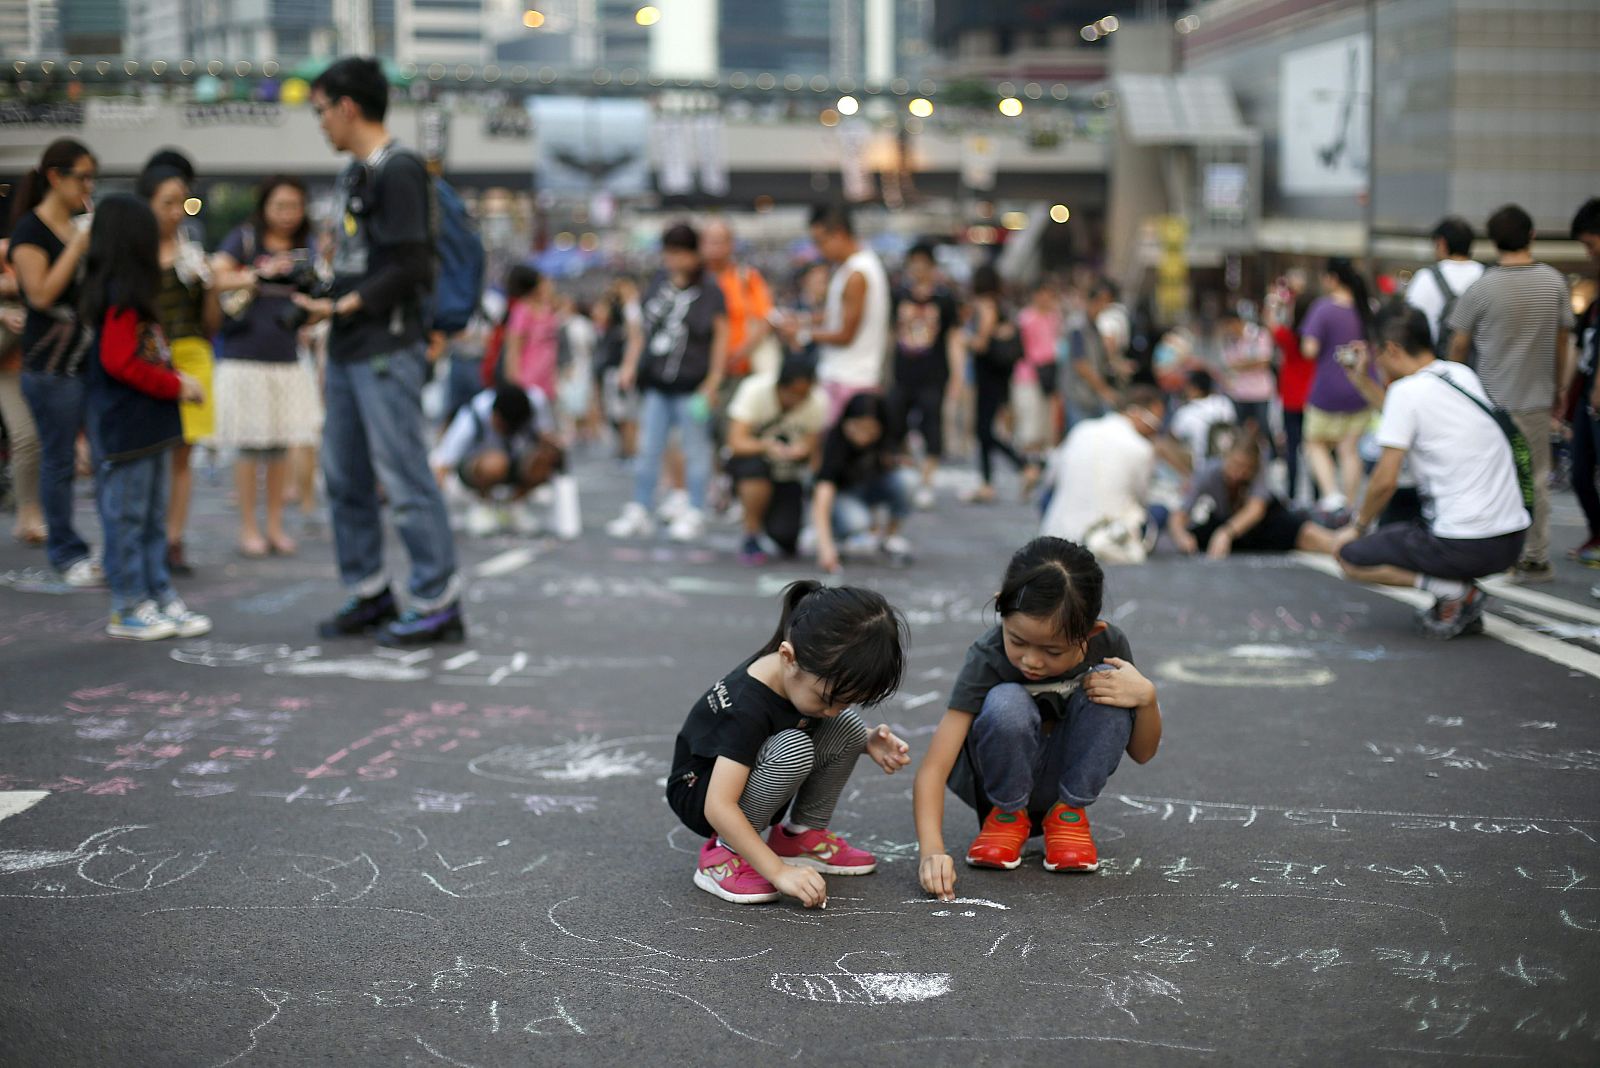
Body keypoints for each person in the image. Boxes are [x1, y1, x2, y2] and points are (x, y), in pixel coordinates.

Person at [296, 56, 462, 646]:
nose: (320, 123)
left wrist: (344, 305)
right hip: (349, 346)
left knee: (403, 474)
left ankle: (437, 599)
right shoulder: (354, 174)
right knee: (344, 477)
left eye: (321, 111)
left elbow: (413, 265)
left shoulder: (400, 169)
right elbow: (357, 263)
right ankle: (369, 590)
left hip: (388, 345)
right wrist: (315, 292)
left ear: (348, 107)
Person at [912, 537, 1162, 894]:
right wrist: (932, 852)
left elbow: (1143, 752)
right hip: (1001, 783)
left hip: (1065, 784)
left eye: (1052, 651)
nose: (1031, 660)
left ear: (1091, 633)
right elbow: (934, 768)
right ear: (1000, 607)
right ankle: (1007, 817)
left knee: (1110, 688)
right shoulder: (987, 656)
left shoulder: (1109, 648)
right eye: (1017, 641)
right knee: (1005, 702)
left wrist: (1146, 699)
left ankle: (1068, 816)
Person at [665, 580, 910, 906]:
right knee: (793, 747)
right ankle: (724, 855)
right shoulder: (748, 707)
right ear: (788, 657)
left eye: (847, 701)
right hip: (702, 791)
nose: (833, 710)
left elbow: (825, 716)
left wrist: (866, 741)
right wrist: (778, 871)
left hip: (753, 766)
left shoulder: (802, 674)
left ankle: (800, 837)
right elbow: (718, 805)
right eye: (827, 699)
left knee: (848, 726)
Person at [1332, 302, 1530, 639]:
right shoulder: (1460, 374)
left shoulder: (1406, 392)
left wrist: (1357, 527)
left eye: (1377, 354)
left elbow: (1384, 481)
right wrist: (1362, 381)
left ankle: (1456, 592)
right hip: (1511, 539)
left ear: (1392, 349)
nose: (1377, 363)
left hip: (1464, 544)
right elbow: (1405, 417)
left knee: (1349, 557)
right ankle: (1457, 592)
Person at [79, 194, 212, 640]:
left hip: (150, 425)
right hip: (130, 426)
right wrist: (175, 384)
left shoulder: (134, 295)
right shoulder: (121, 298)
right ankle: (129, 604)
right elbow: (120, 362)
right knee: (130, 519)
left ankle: (156, 593)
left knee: (152, 518)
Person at [1444, 204, 1573, 585]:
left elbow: (1458, 345)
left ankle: (1491, 552)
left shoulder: (1481, 287)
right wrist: (1560, 386)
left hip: (1489, 402)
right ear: (1531, 235)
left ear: (1493, 240)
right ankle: (1535, 556)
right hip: (1535, 398)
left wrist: (1455, 387)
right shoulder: (1554, 282)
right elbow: (1563, 341)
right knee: (1536, 478)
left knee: (1489, 478)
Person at [211, 175, 325, 558]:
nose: (288, 214)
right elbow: (214, 276)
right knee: (249, 447)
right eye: (280, 206)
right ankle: (249, 527)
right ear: (264, 207)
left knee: (279, 447)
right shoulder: (244, 240)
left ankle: (275, 525)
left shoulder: (306, 248)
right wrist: (258, 274)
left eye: (295, 206)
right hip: (244, 356)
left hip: (286, 358)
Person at [9, 137, 101, 586]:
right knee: (59, 460)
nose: (88, 186)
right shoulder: (31, 230)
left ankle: (106, 548)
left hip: (91, 359)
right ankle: (66, 552)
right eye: (82, 177)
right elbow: (41, 294)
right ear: (54, 177)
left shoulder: (79, 227)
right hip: (50, 365)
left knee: (104, 455)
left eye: (92, 178)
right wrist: (79, 245)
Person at [609, 222, 727, 543]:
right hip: (657, 383)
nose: (673, 260)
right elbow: (641, 331)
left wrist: (714, 380)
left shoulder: (710, 290)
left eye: (679, 253)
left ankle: (695, 509)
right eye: (669, 253)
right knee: (648, 449)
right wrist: (630, 364)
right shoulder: (659, 283)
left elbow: (720, 337)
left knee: (695, 450)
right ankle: (641, 506)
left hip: (693, 385)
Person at [138, 153, 220, 578]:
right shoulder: (133, 252)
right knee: (147, 451)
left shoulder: (192, 251)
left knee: (183, 456)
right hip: (149, 360)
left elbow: (210, 325)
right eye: (167, 202)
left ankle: (173, 540)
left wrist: (210, 286)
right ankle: (146, 538)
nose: (176, 212)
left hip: (191, 355)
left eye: (182, 203)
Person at [779, 204, 890, 420]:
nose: (819, 250)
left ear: (838, 233)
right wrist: (803, 320)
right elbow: (838, 315)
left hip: (850, 379)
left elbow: (845, 334)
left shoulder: (857, 273)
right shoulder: (851, 268)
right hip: (844, 375)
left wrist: (802, 333)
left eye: (820, 241)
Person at [1039, 387, 1172, 563]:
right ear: (1139, 413)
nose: (1156, 428)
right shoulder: (1142, 449)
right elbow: (1141, 497)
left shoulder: (1081, 430)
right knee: (1160, 511)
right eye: (1156, 421)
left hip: (1059, 531)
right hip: (1107, 535)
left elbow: (1051, 478)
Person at [1168, 431, 1344, 559]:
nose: (1238, 473)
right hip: (1228, 519)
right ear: (1226, 457)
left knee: (1305, 533)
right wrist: (1181, 536)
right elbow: (1180, 514)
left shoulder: (1259, 470)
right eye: (1235, 465)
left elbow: (1255, 509)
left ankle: (1343, 545)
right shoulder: (1208, 472)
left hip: (1264, 519)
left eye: (1245, 468)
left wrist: (1226, 533)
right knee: (1197, 537)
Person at [431, 383, 572, 539]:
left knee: (547, 457)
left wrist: (554, 451)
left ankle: (511, 507)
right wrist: (432, 513)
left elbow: (548, 438)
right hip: (476, 469)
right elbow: (442, 463)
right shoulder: (473, 414)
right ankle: (485, 507)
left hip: (516, 463)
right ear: (495, 415)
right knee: (497, 463)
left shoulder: (536, 403)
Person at [725, 355, 828, 563]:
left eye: (804, 394)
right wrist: (767, 447)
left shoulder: (817, 401)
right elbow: (736, 441)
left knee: (785, 538)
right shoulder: (755, 389)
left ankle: (772, 523)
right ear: (781, 386)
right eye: (794, 393)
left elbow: (812, 446)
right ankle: (751, 533)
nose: (799, 400)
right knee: (754, 469)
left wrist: (801, 451)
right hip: (753, 465)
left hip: (788, 474)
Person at [1300, 257, 1378, 518]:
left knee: (1315, 443)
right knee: (1349, 450)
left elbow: (1309, 349)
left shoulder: (1323, 308)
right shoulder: (1368, 307)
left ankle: (1332, 496)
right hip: (1361, 390)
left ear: (1332, 279)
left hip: (1328, 391)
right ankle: (1350, 506)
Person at [888, 242, 962, 509]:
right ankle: (904, 474)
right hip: (902, 373)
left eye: (923, 264)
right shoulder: (898, 295)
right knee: (895, 425)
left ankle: (926, 482)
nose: (918, 269)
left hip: (934, 374)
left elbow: (954, 339)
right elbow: (890, 334)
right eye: (914, 264)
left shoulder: (945, 299)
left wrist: (957, 376)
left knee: (932, 427)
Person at [811, 392, 913, 574]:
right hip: (843, 496)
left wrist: (896, 460)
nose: (862, 436)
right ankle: (837, 535)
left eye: (870, 429)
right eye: (856, 427)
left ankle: (889, 538)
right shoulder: (835, 441)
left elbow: (898, 466)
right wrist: (825, 546)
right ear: (845, 421)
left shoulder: (886, 437)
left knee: (908, 479)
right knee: (857, 522)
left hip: (869, 491)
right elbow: (823, 490)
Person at [964, 265, 1036, 503]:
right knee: (984, 430)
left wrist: (964, 340)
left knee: (984, 430)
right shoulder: (1000, 304)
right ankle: (987, 482)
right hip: (998, 376)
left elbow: (982, 343)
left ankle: (1024, 465)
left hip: (989, 376)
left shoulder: (986, 306)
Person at [0, 242, 43, 544]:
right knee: (27, 437)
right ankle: (29, 512)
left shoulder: (38, 242)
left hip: (38, 363)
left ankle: (32, 511)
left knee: (36, 440)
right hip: (8, 365)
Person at [702, 219, 777, 381]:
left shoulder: (746, 278)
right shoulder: (695, 281)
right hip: (700, 369)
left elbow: (765, 319)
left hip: (740, 368)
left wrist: (740, 353)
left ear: (731, 244)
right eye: (710, 241)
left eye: (720, 241)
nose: (715, 247)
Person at [1568, 198, 1600, 566]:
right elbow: (1579, 348)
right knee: (1579, 472)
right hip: (1586, 394)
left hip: (1595, 395)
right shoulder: (1593, 300)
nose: (1588, 252)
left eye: (1590, 244)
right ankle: (1597, 532)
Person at [1405, 216, 1485, 358]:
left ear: (1441, 243)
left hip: (1438, 364)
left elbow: (1410, 324)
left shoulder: (1425, 277)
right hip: (1482, 365)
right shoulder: (1487, 276)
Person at [1268, 289, 1316, 503]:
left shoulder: (1288, 336)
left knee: (1292, 448)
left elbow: (1271, 325)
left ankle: (1291, 492)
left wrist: (1276, 304)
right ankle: (1319, 494)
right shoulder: (1316, 340)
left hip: (1291, 399)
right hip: (1313, 399)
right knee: (1314, 450)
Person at [1061, 277, 1124, 428]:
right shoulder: (1078, 326)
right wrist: (1104, 390)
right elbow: (1081, 364)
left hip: (1091, 396)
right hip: (1079, 396)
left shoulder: (1094, 326)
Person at [592, 277, 643, 459]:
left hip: (623, 369)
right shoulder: (617, 310)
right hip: (613, 368)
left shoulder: (632, 309)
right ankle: (626, 449)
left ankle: (630, 450)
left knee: (627, 414)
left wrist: (628, 366)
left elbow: (635, 338)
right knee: (618, 414)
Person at [1014, 280, 1062, 462]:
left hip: (1048, 375)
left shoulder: (1054, 317)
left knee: (1045, 425)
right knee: (1030, 425)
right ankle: (1028, 465)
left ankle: (1037, 463)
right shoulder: (1025, 318)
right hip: (1029, 375)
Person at [502, 265, 561, 400]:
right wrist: (515, 386)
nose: (549, 285)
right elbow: (513, 350)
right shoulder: (521, 312)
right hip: (527, 383)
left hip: (547, 384)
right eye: (543, 281)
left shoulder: (549, 311)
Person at [1218, 305, 1276, 437]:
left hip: (1260, 392)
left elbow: (1264, 362)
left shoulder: (1258, 334)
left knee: (1264, 430)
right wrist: (1252, 362)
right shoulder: (1228, 340)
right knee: (1240, 432)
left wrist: (1242, 364)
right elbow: (1229, 365)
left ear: (1236, 322)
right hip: (1238, 393)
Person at [1169, 368, 1238, 464]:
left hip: (1200, 464)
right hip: (1229, 461)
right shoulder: (1224, 402)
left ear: (1194, 388)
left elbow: (1173, 438)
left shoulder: (1184, 412)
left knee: (1164, 445)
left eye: (1187, 387)